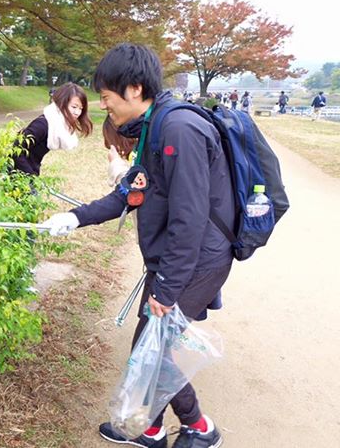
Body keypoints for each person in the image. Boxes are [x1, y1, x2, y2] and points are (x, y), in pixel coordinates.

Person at [43, 43, 232, 448]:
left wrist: (167, 289)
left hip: (197, 259)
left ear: (132, 88)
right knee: (150, 343)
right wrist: (75, 217)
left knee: (156, 347)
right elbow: (131, 191)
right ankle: (152, 430)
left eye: (106, 96)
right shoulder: (154, 125)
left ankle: (201, 429)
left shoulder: (179, 129)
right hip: (177, 258)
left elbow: (191, 218)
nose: (102, 104)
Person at [11, 82, 93, 176]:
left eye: (80, 108)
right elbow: (15, 149)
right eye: (74, 107)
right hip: (17, 175)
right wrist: (30, 177)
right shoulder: (42, 125)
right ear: (61, 103)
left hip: (30, 172)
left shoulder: (58, 125)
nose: (77, 112)